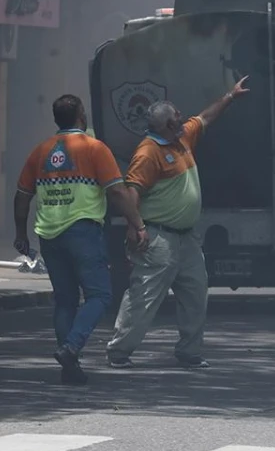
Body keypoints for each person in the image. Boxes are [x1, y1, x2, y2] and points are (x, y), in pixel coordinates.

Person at [106, 77, 249, 370]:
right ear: (164, 126)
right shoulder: (148, 153)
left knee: (196, 294)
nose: (182, 120)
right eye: (176, 118)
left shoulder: (181, 137)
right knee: (144, 297)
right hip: (159, 239)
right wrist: (136, 227)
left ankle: (189, 352)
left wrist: (230, 96)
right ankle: (119, 351)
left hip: (186, 240)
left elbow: (206, 117)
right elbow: (131, 194)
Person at [14, 94, 145, 386]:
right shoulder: (94, 148)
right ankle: (72, 346)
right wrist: (137, 223)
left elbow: (22, 196)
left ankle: (69, 367)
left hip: (48, 234)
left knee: (65, 300)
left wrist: (20, 233)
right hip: (82, 231)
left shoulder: (40, 151)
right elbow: (116, 191)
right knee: (100, 295)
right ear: (81, 116)